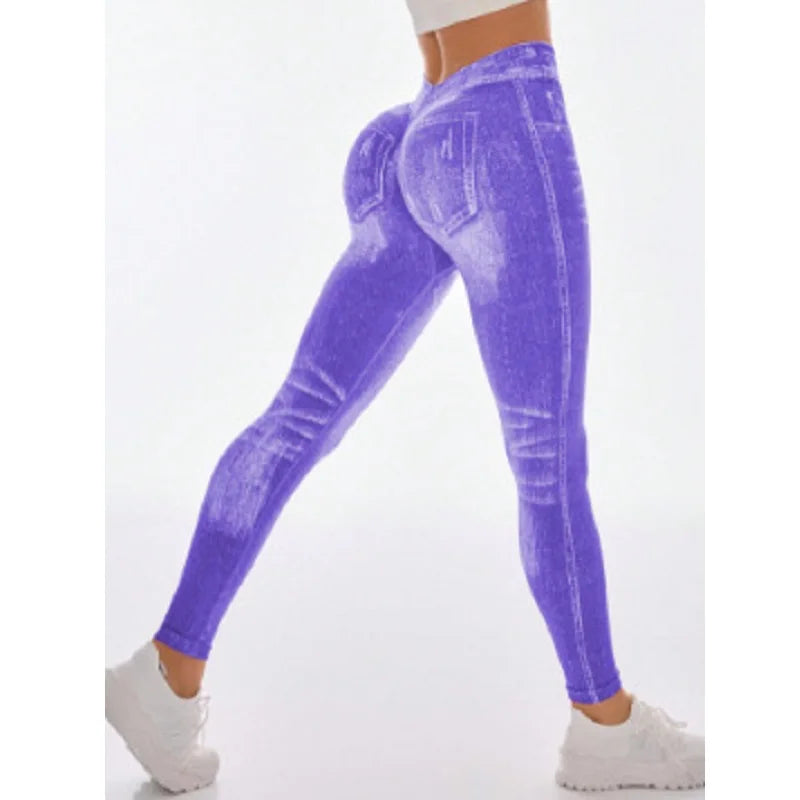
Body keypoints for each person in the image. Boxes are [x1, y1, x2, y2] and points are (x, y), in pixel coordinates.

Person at [105, 0, 704, 793]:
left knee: (299, 413)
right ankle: (605, 724)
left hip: (417, 132)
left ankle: (168, 670)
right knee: (546, 455)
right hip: (504, 123)